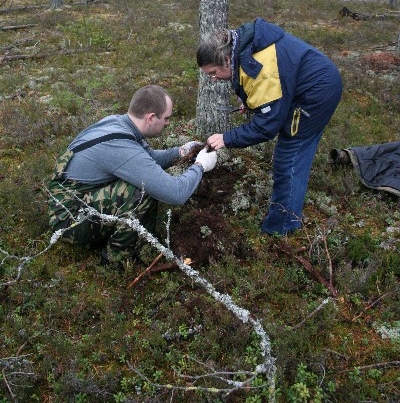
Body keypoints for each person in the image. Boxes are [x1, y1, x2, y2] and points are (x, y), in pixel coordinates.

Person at [197, 17, 342, 236]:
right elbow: (265, 79)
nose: (214, 80)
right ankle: (284, 221)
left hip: (316, 94)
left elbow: (267, 127)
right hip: (308, 84)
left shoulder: (259, 68)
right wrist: (250, 99)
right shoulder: (242, 43)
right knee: (290, 152)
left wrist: (227, 139)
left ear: (226, 59)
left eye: (214, 73)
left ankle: (281, 228)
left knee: (290, 157)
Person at [48, 85, 217, 265]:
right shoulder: (120, 146)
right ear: (151, 117)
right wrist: (200, 166)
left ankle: (127, 241)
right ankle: (118, 260)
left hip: (74, 202)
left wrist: (180, 152)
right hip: (69, 221)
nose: (168, 123)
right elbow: (175, 193)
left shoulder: (117, 123)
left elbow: (147, 158)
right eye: (166, 118)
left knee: (141, 181)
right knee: (140, 191)